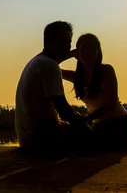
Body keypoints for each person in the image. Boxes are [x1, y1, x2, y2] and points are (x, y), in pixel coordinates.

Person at [14, 21, 91, 156]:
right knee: (95, 138)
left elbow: (55, 57)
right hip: (42, 140)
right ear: (50, 42)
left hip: (28, 138)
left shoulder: (37, 61)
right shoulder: (49, 66)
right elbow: (62, 109)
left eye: (69, 42)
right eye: (64, 42)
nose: (67, 46)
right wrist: (81, 124)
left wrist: (71, 54)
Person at [62, 33, 127, 152]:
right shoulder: (76, 77)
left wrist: (87, 118)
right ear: (78, 53)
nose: (89, 53)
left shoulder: (106, 70)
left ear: (98, 51)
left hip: (120, 126)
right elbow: (52, 65)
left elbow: (111, 102)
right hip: (99, 128)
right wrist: (70, 54)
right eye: (84, 49)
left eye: (92, 49)